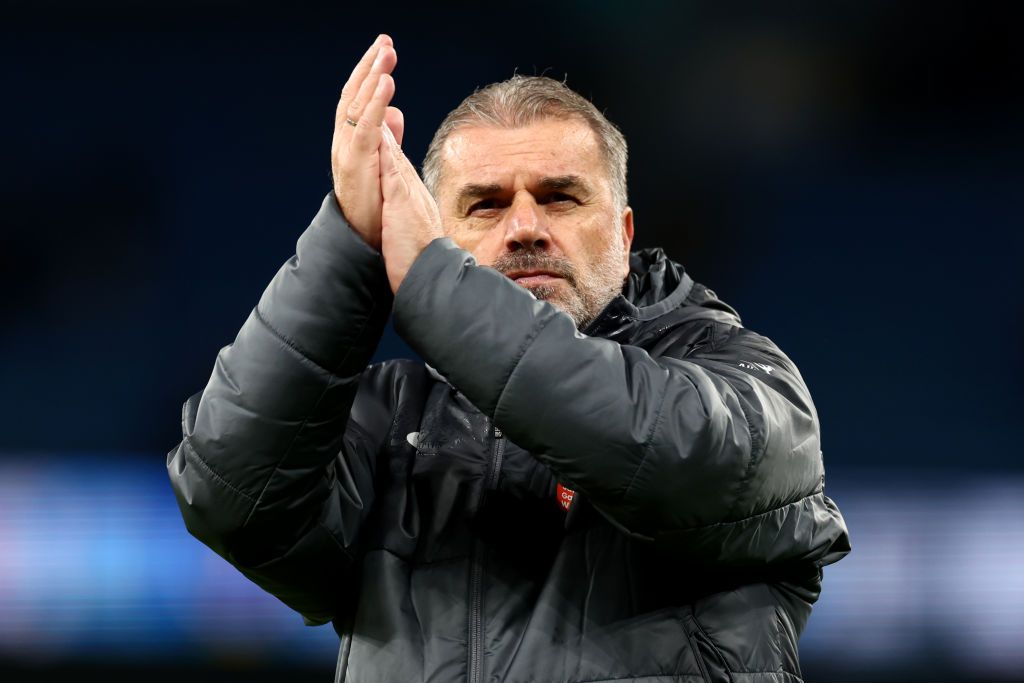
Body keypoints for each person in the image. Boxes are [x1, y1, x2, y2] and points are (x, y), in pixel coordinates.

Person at [167, 34, 850, 683]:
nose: (525, 227)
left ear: (624, 228)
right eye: (485, 205)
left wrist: (437, 287)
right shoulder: (390, 421)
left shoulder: (742, 379)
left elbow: (661, 446)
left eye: (560, 197)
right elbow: (232, 495)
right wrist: (351, 243)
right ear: (433, 232)